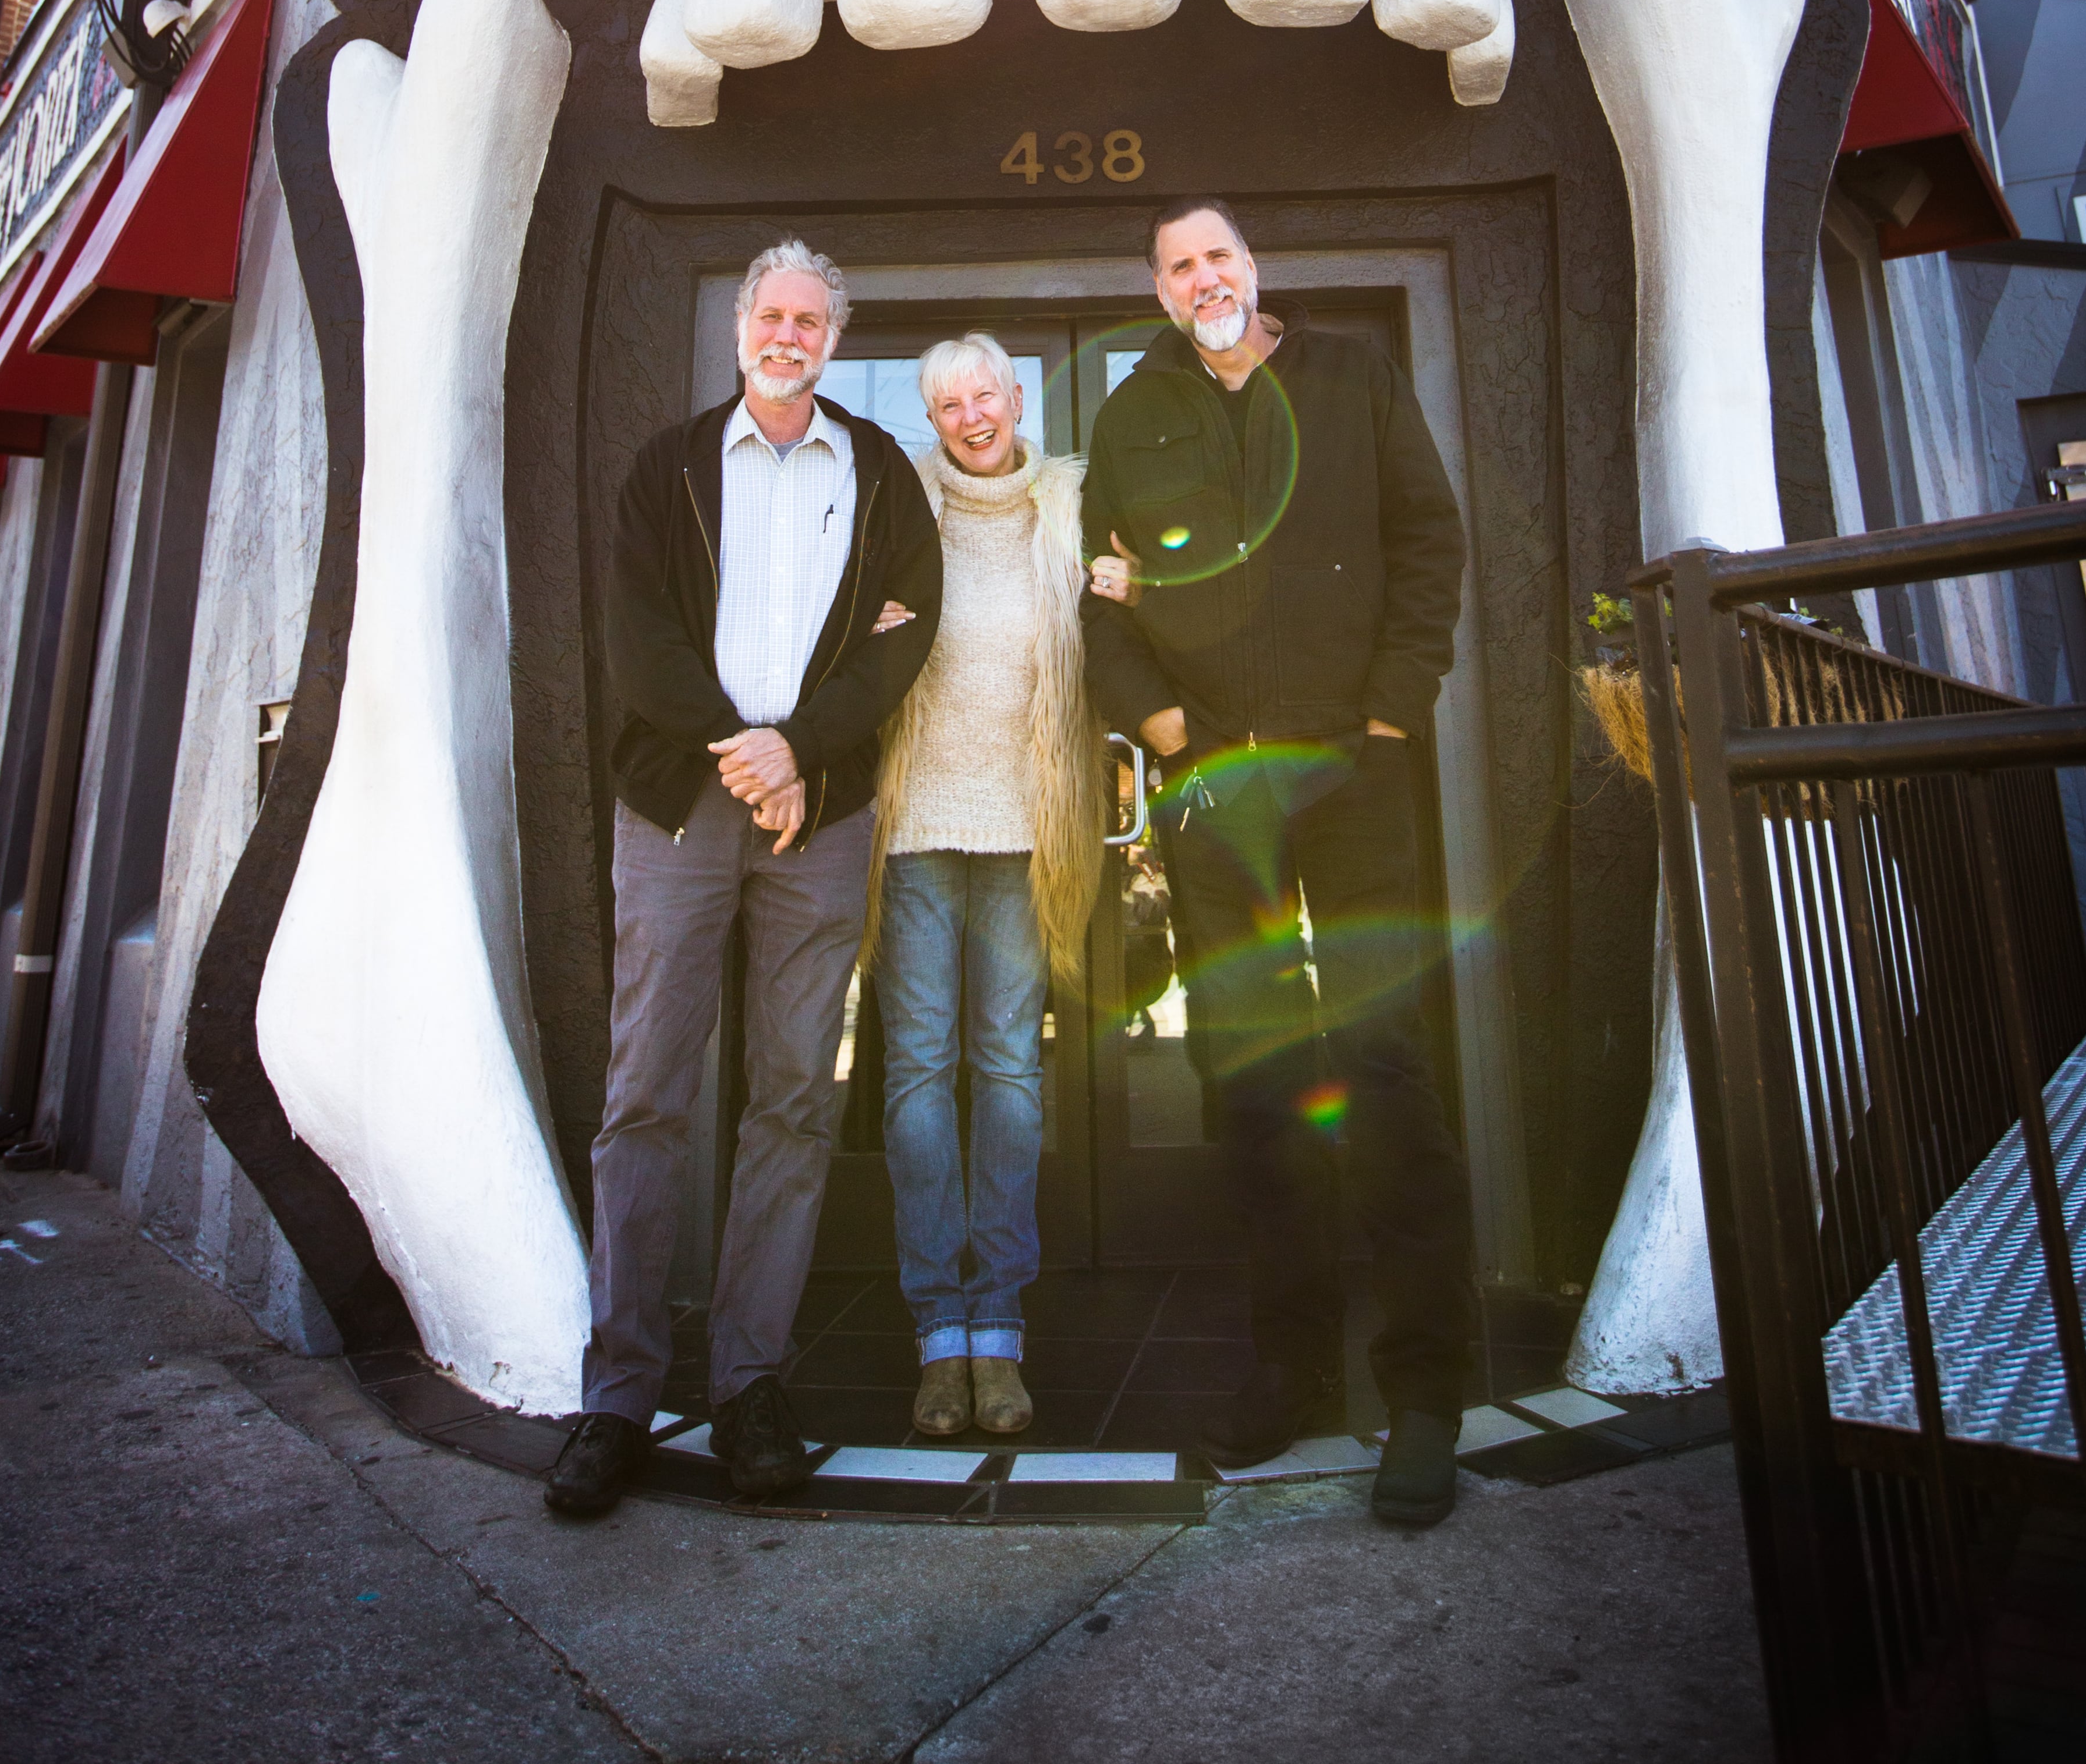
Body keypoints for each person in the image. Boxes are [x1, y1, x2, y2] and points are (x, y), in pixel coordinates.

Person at [1081, 197, 1477, 1530]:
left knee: (1381, 1058)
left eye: (1220, 257)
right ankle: (1293, 1370)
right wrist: (1166, 727)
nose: (1205, 278)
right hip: (1214, 793)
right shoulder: (1133, 416)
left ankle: (1425, 1387)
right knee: (1250, 1077)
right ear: (1160, 291)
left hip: (1350, 772)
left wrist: (1391, 707)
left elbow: (1432, 542)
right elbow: (1107, 598)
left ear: (1254, 271)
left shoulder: (1357, 377)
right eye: (1180, 265)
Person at [546, 240, 943, 1518]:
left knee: (792, 1100)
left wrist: (800, 753)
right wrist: (743, 753)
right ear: (740, 331)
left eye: (811, 318)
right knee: (646, 1093)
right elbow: (640, 638)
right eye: (771, 315)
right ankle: (619, 1395)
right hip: (679, 810)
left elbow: (906, 633)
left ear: (835, 337)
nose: (789, 334)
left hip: (815, 820)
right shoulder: (666, 469)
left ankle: (752, 1382)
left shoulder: (880, 475)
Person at [865, 335, 1102, 1440]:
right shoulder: (897, 508)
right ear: (932, 416)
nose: (972, 415)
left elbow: (1131, 603)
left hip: (1022, 829)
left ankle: (997, 1331)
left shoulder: (1070, 504)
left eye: (986, 394)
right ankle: (937, 1330)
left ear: (1019, 398)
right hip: (917, 826)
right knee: (918, 1073)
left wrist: (1133, 580)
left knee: (1008, 1072)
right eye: (948, 402)